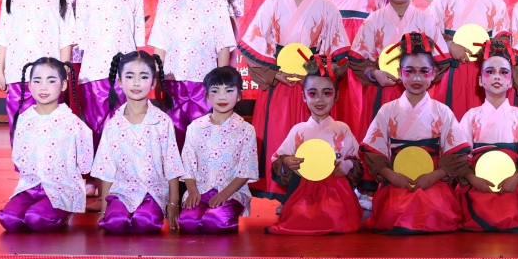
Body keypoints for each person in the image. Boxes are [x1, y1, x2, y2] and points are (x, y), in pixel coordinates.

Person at [240, 0, 349, 183]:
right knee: (278, 136)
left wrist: (317, 75)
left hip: (312, 89)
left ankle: (309, 191)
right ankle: (277, 192)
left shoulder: (327, 7)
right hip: (279, 84)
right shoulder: (272, 3)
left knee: (311, 144)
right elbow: (253, 44)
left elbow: (339, 55)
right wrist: (274, 74)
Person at [360, 33, 465, 234]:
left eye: (424, 71)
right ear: (400, 73)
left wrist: (434, 176)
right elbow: (373, 152)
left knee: (433, 208)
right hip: (397, 180)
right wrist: (391, 176)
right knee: (395, 210)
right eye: (409, 71)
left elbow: (457, 154)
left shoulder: (442, 111)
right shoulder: (387, 111)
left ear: (434, 73)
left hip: (432, 181)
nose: (417, 78)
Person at [344, 0, 447, 129]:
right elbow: (357, 60)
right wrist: (374, 74)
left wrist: (420, 78)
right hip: (381, 92)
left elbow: (441, 61)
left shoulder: (426, 20)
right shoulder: (374, 20)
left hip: (417, 96)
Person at [150, 0, 238, 147]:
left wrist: (220, 84)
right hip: (172, 83)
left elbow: (223, 46)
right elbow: (159, 46)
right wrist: (157, 80)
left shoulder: (216, 1)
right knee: (174, 139)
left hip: (204, 84)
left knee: (204, 140)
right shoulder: (169, 2)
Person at [267, 55, 365, 235]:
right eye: (313, 93)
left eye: (327, 93)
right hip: (303, 192)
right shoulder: (299, 130)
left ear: (336, 96)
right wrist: (287, 162)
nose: (320, 99)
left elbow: (358, 162)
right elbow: (277, 161)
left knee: (337, 215)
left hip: (336, 193)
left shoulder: (342, 129)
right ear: (303, 96)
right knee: (299, 216)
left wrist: (347, 165)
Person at [449, 35, 518, 232]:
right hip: (478, 182)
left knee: (512, 204)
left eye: (503, 72)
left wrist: (516, 178)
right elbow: (459, 157)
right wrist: (472, 179)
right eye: (490, 72)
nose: (497, 77)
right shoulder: (471, 116)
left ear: (511, 81)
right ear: (480, 80)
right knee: (476, 201)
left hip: (511, 182)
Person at [91, 49, 183, 234]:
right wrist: (103, 210)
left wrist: (173, 203)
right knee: (115, 222)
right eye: (130, 76)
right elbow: (106, 169)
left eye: (143, 77)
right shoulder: (113, 124)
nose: (136, 83)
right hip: (122, 192)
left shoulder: (162, 121)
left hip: (152, 192)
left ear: (153, 82)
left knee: (145, 223)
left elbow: (172, 164)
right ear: (119, 81)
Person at [0, 58, 94, 233]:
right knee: (9, 219)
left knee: (36, 218)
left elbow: (85, 163)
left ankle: (64, 212)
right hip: (30, 187)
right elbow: (18, 156)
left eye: (51, 81)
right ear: (29, 85)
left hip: (62, 188)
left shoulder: (72, 122)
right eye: (37, 81)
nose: (43, 87)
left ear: (63, 85)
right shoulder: (24, 119)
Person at [0, 0, 73, 138]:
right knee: (19, 129)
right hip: (17, 73)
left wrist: (63, 70)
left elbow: (66, 38)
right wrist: (0, 70)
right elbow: (4, 34)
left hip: (49, 77)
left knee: (50, 131)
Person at [429, 0, 511, 118]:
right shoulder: (442, 2)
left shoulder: (495, 3)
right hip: (450, 71)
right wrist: (449, 45)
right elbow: (428, 36)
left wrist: (488, 52)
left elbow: (503, 39)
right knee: (452, 123)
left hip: (485, 73)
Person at [73, 0, 146, 143]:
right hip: (93, 73)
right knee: (95, 127)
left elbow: (136, 40)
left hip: (125, 75)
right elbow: (81, 40)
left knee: (125, 129)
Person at [177, 66, 259, 234]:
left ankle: (226, 214)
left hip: (231, 192)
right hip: (200, 190)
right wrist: (192, 191)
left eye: (229, 91)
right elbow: (188, 164)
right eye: (215, 91)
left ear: (239, 96)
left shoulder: (246, 130)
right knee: (187, 222)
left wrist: (224, 194)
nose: (222, 97)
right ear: (207, 96)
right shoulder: (195, 127)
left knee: (215, 221)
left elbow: (246, 170)